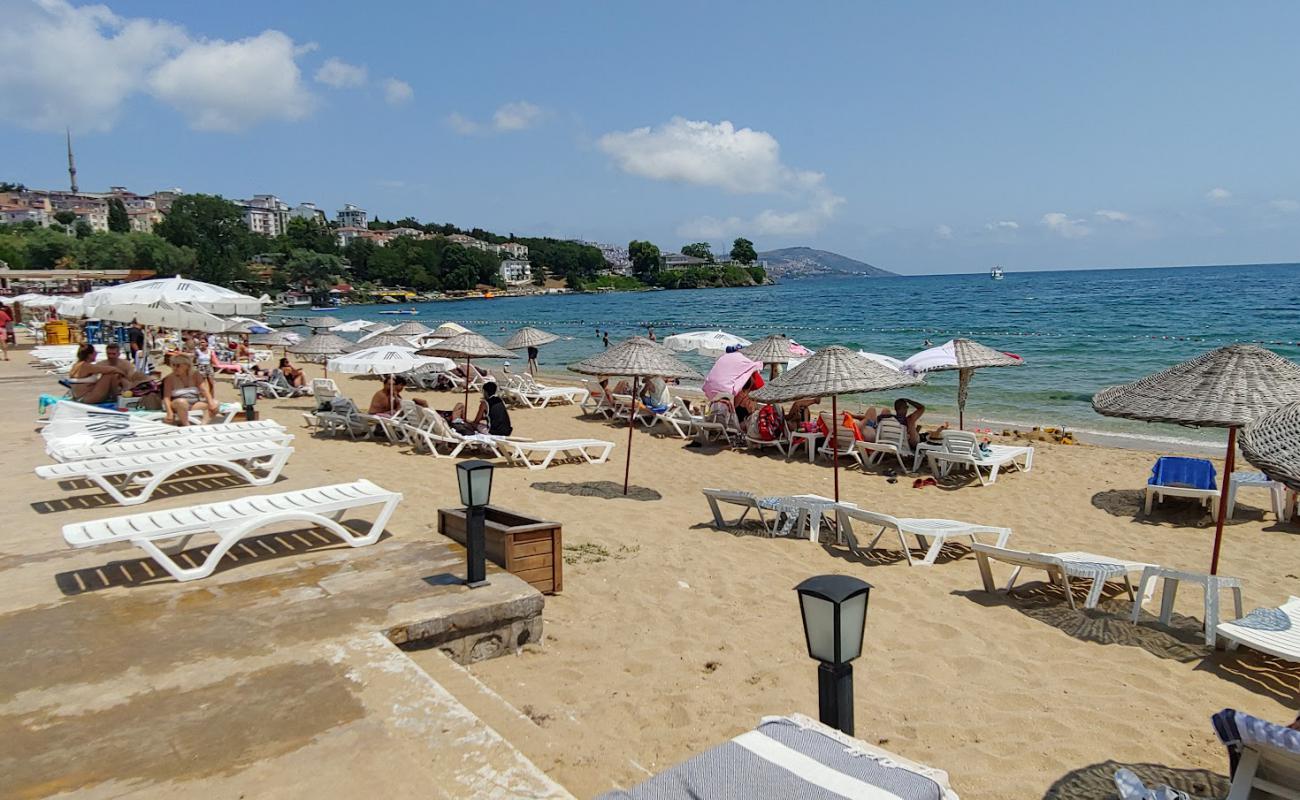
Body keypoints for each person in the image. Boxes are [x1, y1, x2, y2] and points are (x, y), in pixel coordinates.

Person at [67, 343, 132, 403]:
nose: (111, 356)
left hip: (80, 396)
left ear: (118, 354)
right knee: (111, 374)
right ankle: (116, 398)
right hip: (86, 397)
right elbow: (112, 369)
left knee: (114, 374)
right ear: (90, 355)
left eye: (113, 354)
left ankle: (121, 393)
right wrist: (122, 374)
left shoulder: (77, 365)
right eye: (95, 353)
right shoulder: (87, 366)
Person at [162, 354, 215, 426]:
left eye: (178, 365)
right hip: (177, 405)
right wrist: (169, 412)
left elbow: (204, 390)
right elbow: (166, 397)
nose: (175, 368)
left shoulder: (196, 375)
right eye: (173, 365)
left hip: (194, 405)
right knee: (182, 402)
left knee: (216, 403)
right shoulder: (169, 379)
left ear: (187, 366)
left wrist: (211, 403)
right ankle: (186, 425)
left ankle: (203, 425)